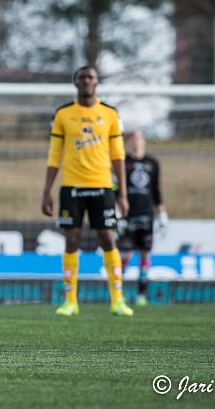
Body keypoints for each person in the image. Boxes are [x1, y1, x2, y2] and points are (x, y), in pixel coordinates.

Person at [41, 66, 133, 317]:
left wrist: (123, 193)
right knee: (71, 240)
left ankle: (118, 299)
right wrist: (47, 190)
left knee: (107, 238)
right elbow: (54, 155)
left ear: (97, 82)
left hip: (102, 186)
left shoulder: (110, 114)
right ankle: (70, 301)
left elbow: (118, 156)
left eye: (91, 77)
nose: (86, 81)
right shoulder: (63, 114)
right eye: (82, 77)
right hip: (71, 186)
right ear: (76, 82)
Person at [118, 130, 168, 307]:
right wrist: (117, 214)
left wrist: (162, 215)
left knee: (144, 254)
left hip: (147, 215)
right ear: (129, 142)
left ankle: (142, 294)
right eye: (133, 138)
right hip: (127, 215)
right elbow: (115, 189)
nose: (136, 142)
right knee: (126, 254)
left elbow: (156, 190)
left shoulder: (152, 163)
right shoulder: (122, 163)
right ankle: (118, 293)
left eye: (139, 138)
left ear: (144, 141)